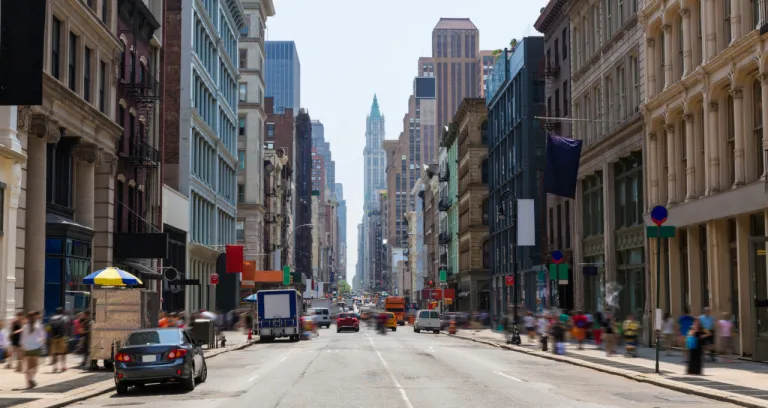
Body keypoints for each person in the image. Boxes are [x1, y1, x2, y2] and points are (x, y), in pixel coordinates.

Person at [20, 311, 46, 389]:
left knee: (28, 367)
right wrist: (41, 345)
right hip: (35, 348)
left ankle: (28, 384)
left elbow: (22, 339)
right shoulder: (39, 326)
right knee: (35, 367)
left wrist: (23, 348)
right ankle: (31, 379)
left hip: (27, 348)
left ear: (27, 318)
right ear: (35, 318)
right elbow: (43, 338)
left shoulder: (24, 327)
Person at [49, 307, 70, 373]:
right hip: (62, 337)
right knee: (63, 353)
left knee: (55, 353)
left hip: (53, 338)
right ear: (62, 312)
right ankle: (63, 367)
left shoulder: (51, 318)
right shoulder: (65, 318)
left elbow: (48, 328)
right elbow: (67, 326)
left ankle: (55, 368)